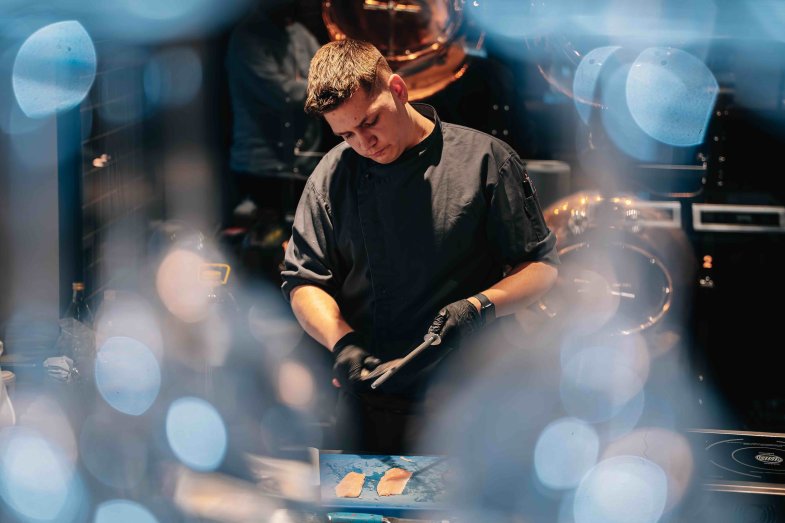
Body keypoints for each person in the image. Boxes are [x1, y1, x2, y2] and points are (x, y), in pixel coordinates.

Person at [281, 39, 559, 454]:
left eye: (370, 122)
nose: (364, 143)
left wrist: (478, 307)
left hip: (469, 398)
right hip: (372, 399)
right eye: (346, 134)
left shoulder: (486, 160)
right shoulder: (331, 175)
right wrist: (342, 342)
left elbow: (540, 267)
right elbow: (304, 280)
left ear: (398, 89)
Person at [225, 0, 321, 225]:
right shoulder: (246, 37)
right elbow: (284, 95)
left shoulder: (300, 33)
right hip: (262, 170)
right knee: (268, 240)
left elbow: (325, 71)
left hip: (304, 167)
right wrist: (326, 87)